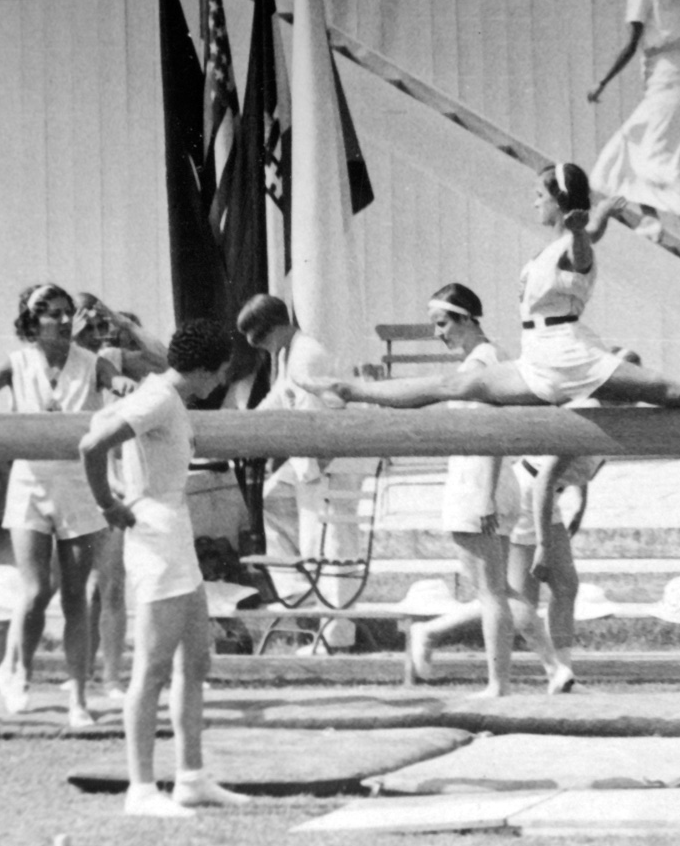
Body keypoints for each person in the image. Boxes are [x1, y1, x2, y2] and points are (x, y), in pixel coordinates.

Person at [329, 162, 680, 412]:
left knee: (679, 392)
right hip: (538, 356)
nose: (531, 202)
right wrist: (593, 219)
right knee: (454, 385)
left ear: (558, 202)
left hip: (568, 352)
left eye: (538, 195)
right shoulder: (549, 247)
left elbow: (584, 251)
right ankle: (353, 391)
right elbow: (588, 231)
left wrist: (585, 227)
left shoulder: (571, 245)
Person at [79, 318, 252, 817]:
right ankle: (140, 789)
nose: (219, 383)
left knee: (195, 659)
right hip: (155, 535)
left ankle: (192, 778)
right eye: (219, 373)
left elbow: (100, 426)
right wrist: (108, 503)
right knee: (152, 668)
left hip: (174, 532)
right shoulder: (157, 398)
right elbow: (92, 444)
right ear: (202, 369)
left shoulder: (160, 395)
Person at [0, 283, 131, 726]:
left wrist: (125, 386)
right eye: (53, 314)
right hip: (30, 485)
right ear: (31, 322)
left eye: (67, 313)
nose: (64, 321)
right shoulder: (18, 364)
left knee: (78, 598)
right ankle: (19, 675)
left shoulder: (92, 363)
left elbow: (117, 382)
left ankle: (79, 697)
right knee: (35, 591)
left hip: (80, 487)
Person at [401, 282, 559, 696]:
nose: (439, 333)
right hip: (488, 483)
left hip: (479, 484)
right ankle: (553, 668)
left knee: (491, 593)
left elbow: (493, 433)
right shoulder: (489, 357)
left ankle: (498, 684)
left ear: (467, 319)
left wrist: (486, 494)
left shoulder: (481, 363)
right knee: (499, 590)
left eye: (442, 324)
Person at [236, 294, 362, 647]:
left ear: (274, 328)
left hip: (330, 462)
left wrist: (317, 469)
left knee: (331, 547)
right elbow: (278, 398)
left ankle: (337, 639)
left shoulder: (308, 355)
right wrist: (242, 424)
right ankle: (299, 594)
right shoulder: (288, 353)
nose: (259, 348)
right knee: (272, 499)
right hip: (308, 460)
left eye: (259, 340)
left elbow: (316, 418)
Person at [521, 347, 641, 694]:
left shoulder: (617, 415)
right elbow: (545, 477)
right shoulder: (586, 411)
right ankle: (433, 631)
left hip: (550, 497)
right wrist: (544, 544)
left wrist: (580, 507)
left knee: (564, 587)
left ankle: (563, 674)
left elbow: (583, 467)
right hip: (530, 492)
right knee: (516, 597)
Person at [587, 0, 680, 264]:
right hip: (679, 76)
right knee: (633, 144)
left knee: (660, 160)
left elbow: (631, 42)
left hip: (668, 76)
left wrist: (602, 82)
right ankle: (651, 221)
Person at [71, 295, 168, 699]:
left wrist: (119, 321)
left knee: (110, 586)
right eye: (87, 324)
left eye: (99, 325)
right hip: (66, 486)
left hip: (111, 485)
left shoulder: (110, 358)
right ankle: (83, 672)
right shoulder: (59, 362)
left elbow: (164, 362)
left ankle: (110, 676)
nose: (97, 332)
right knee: (79, 589)